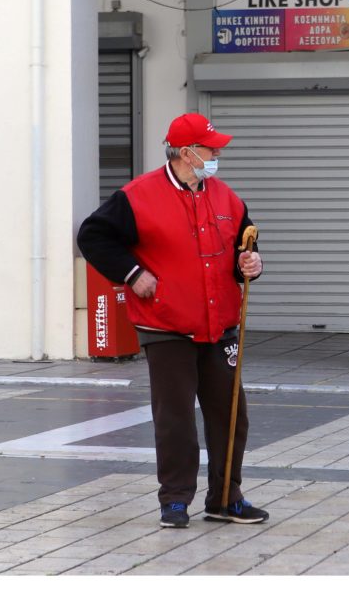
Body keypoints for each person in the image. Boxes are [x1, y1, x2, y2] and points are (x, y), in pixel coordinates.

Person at [78, 112, 269, 529]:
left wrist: (250, 264)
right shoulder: (137, 196)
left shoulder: (226, 198)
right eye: (211, 148)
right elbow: (92, 235)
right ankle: (176, 500)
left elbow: (244, 249)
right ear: (187, 153)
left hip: (220, 324)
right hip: (167, 326)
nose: (217, 154)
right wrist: (132, 273)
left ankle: (224, 498)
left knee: (231, 414)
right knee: (175, 417)